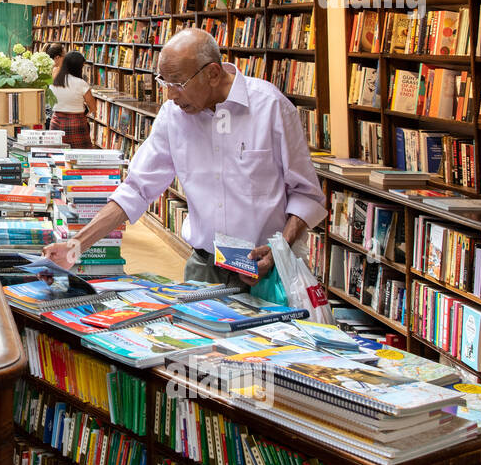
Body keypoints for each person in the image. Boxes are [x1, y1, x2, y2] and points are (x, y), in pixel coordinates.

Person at [43, 28, 325, 284]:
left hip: (267, 270)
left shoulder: (270, 107)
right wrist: (75, 245)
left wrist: (280, 247)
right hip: (204, 267)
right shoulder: (173, 117)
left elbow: (306, 194)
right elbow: (136, 189)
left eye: (177, 83)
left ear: (213, 74)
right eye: (164, 82)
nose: (169, 96)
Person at [48, 50, 96, 149]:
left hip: (57, 121)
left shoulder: (54, 81)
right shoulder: (81, 83)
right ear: (78, 67)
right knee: (81, 156)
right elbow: (93, 107)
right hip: (77, 122)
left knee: (56, 154)